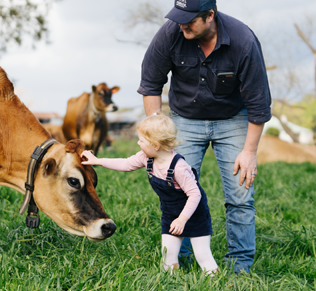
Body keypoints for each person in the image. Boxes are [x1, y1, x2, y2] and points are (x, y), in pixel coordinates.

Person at [138, 0, 271, 274]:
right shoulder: (171, 33)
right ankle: (180, 261)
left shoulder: (243, 41)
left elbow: (259, 104)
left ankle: (239, 266)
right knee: (177, 190)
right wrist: (156, 130)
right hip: (185, 120)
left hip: (233, 119)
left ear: (210, 15)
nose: (181, 25)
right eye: (178, 18)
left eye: (189, 20)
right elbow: (150, 83)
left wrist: (249, 152)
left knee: (240, 196)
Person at [81, 115, 218, 274]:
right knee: (168, 254)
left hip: (194, 215)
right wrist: (97, 161)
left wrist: (182, 219)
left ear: (156, 145)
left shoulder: (179, 168)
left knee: (202, 256)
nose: (138, 143)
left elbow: (195, 194)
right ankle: (171, 282)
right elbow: (126, 163)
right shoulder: (146, 157)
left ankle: (215, 281)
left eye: (141, 140)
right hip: (170, 214)